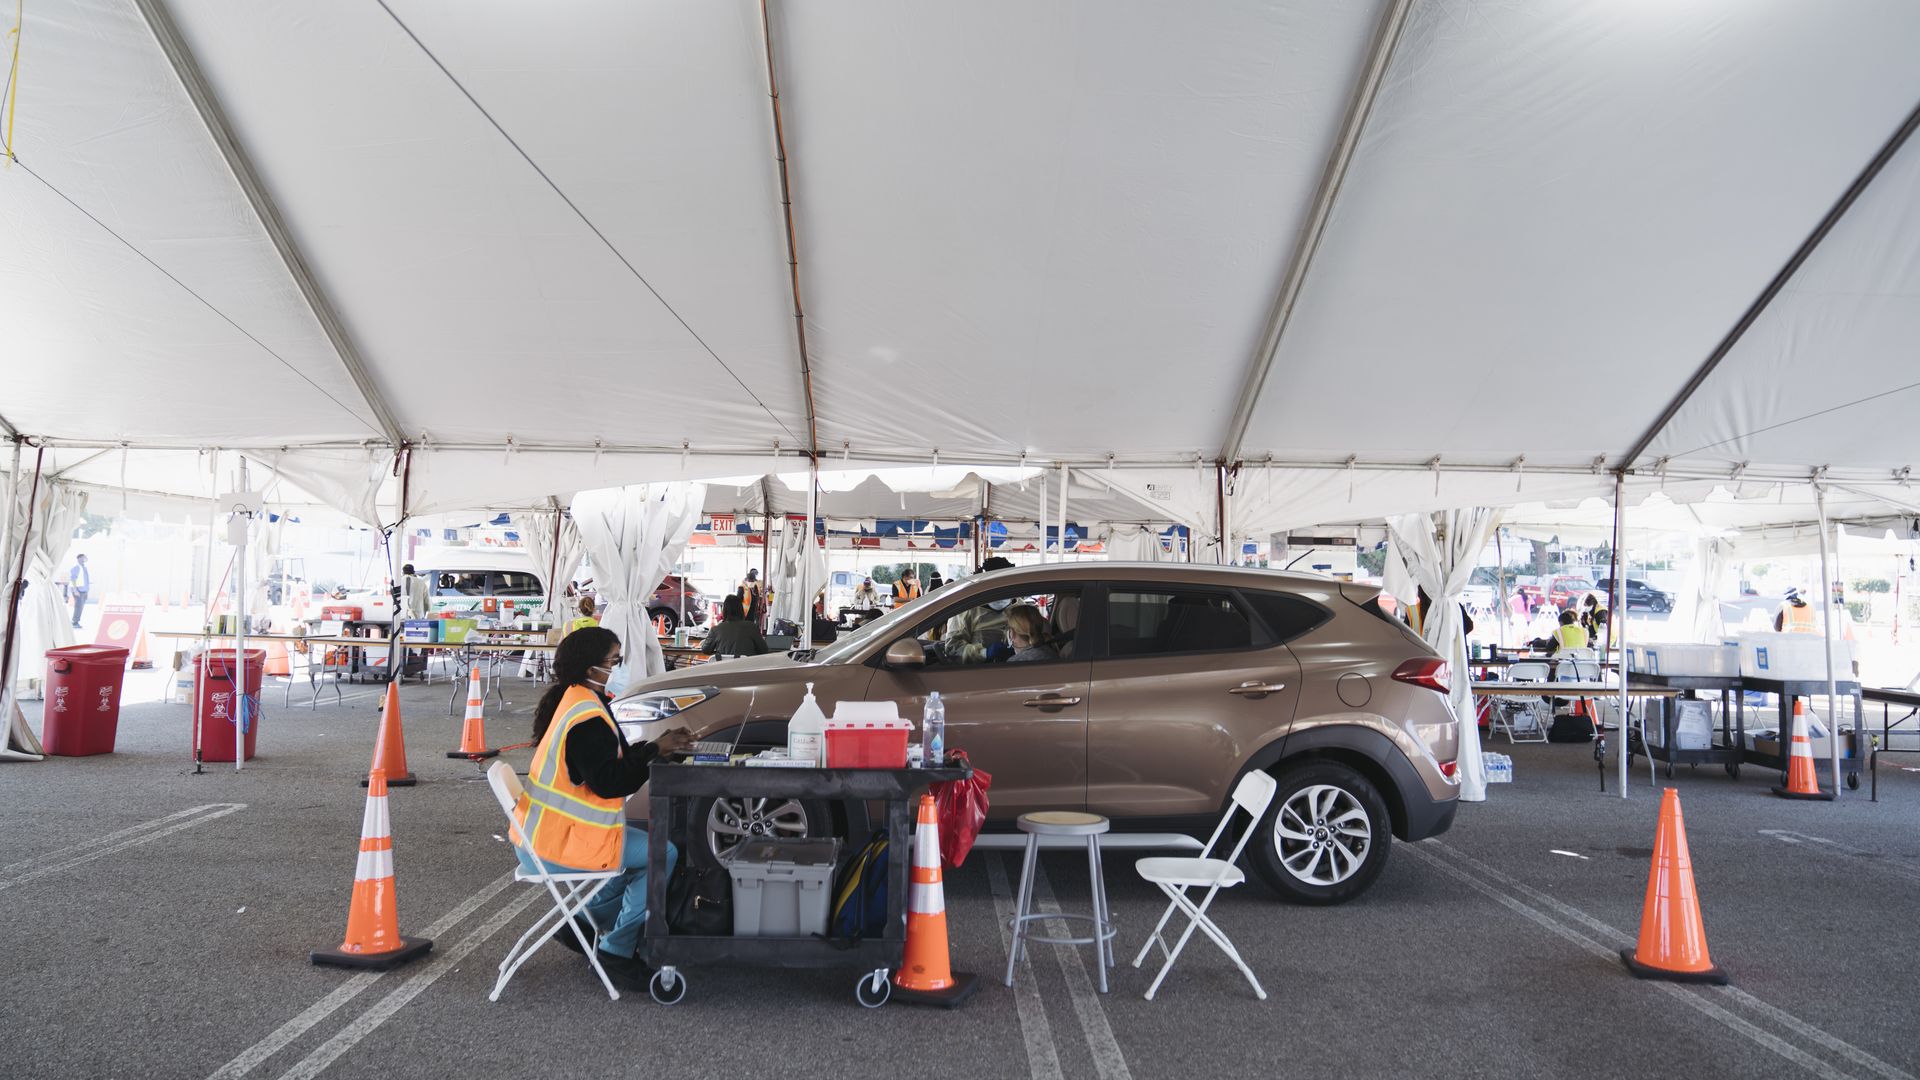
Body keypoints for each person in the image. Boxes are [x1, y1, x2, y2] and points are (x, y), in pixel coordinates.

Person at [515, 626, 693, 989]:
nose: (619, 666)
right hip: (558, 845)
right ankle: (616, 951)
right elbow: (611, 781)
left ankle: (581, 922)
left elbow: (614, 763)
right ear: (590, 667)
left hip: (543, 835)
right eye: (615, 660)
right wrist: (655, 751)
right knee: (663, 853)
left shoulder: (578, 700)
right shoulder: (586, 719)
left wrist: (656, 747)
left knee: (637, 859)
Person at [703, 594, 769, 658]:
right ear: (741, 609)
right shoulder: (752, 627)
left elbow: (705, 650)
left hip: (724, 668)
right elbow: (764, 650)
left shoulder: (716, 630)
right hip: (747, 667)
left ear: (724, 610)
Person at [67, 554, 90, 628]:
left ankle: (76, 621)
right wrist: (75, 590)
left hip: (84, 590)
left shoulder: (84, 567)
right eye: (84, 557)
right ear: (80, 558)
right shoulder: (76, 567)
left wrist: (87, 590)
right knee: (78, 607)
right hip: (78, 590)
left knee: (81, 607)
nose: (86, 558)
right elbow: (73, 579)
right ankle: (74, 622)